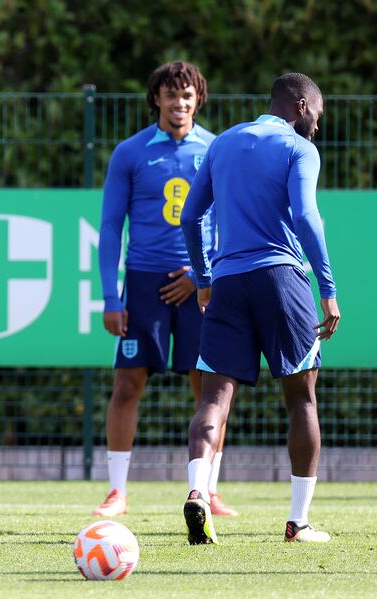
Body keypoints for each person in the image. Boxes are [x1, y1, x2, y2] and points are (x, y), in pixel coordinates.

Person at [180, 72, 339, 544]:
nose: (318, 127)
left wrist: (204, 280)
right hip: (282, 279)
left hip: (227, 282)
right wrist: (327, 287)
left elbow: (191, 217)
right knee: (302, 399)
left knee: (213, 399)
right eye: (318, 116)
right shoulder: (299, 148)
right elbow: (307, 216)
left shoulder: (223, 143)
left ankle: (198, 492)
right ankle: (298, 522)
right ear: (303, 107)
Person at [94, 61, 237, 518]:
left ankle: (207, 490)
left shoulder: (217, 150)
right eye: (172, 95)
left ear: (199, 101)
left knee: (210, 385)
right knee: (127, 383)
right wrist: (112, 298)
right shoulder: (131, 153)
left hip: (203, 284)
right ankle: (117, 492)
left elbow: (233, 221)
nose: (180, 104)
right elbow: (111, 228)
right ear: (156, 98)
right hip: (144, 284)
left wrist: (202, 275)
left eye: (188, 96)